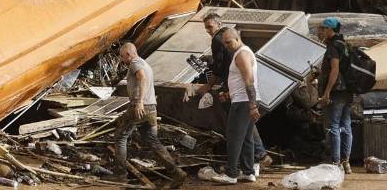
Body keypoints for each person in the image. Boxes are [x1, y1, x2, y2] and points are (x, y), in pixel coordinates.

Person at [201, 14, 271, 172]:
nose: (208, 31)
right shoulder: (240, 51)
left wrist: (210, 86)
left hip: (242, 99)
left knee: (234, 135)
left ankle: (232, 172)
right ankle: (251, 168)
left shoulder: (231, 47)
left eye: (210, 26)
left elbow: (238, 76)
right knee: (245, 134)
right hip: (240, 96)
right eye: (206, 27)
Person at [114, 43, 186, 188]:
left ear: (129, 54)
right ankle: (176, 172)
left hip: (139, 107)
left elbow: (141, 78)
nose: (122, 60)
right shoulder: (146, 64)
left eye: (122, 56)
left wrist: (139, 101)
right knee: (152, 140)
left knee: (120, 137)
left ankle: (120, 175)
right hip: (152, 107)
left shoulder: (135, 64)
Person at [316, 17, 354, 173]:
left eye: (324, 28)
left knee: (334, 126)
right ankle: (347, 163)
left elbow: (335, 70)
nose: (322, 31)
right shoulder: (345, 44)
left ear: (330, 30)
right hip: (348, 91)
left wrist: (326, 92)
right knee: (346, 126)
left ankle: (336, 163)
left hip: (337, 91)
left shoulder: (333, 47)